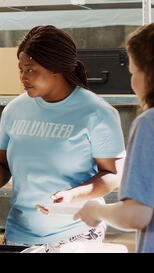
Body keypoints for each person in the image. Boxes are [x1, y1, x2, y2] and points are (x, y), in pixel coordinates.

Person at [0, 25, 125, 250]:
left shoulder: (97, 113)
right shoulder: (15, 110)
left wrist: (73, 195)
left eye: (31, 69)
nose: (23, 77)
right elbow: (1, 163)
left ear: (57, 67)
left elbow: (113, 175)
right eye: (21, 69)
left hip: (76, 235)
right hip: (18, 235)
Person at [74, 23, 154, 253]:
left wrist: (96, 211)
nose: (132, 82)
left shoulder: (149, 123)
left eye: (133, 72)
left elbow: (136, 215)